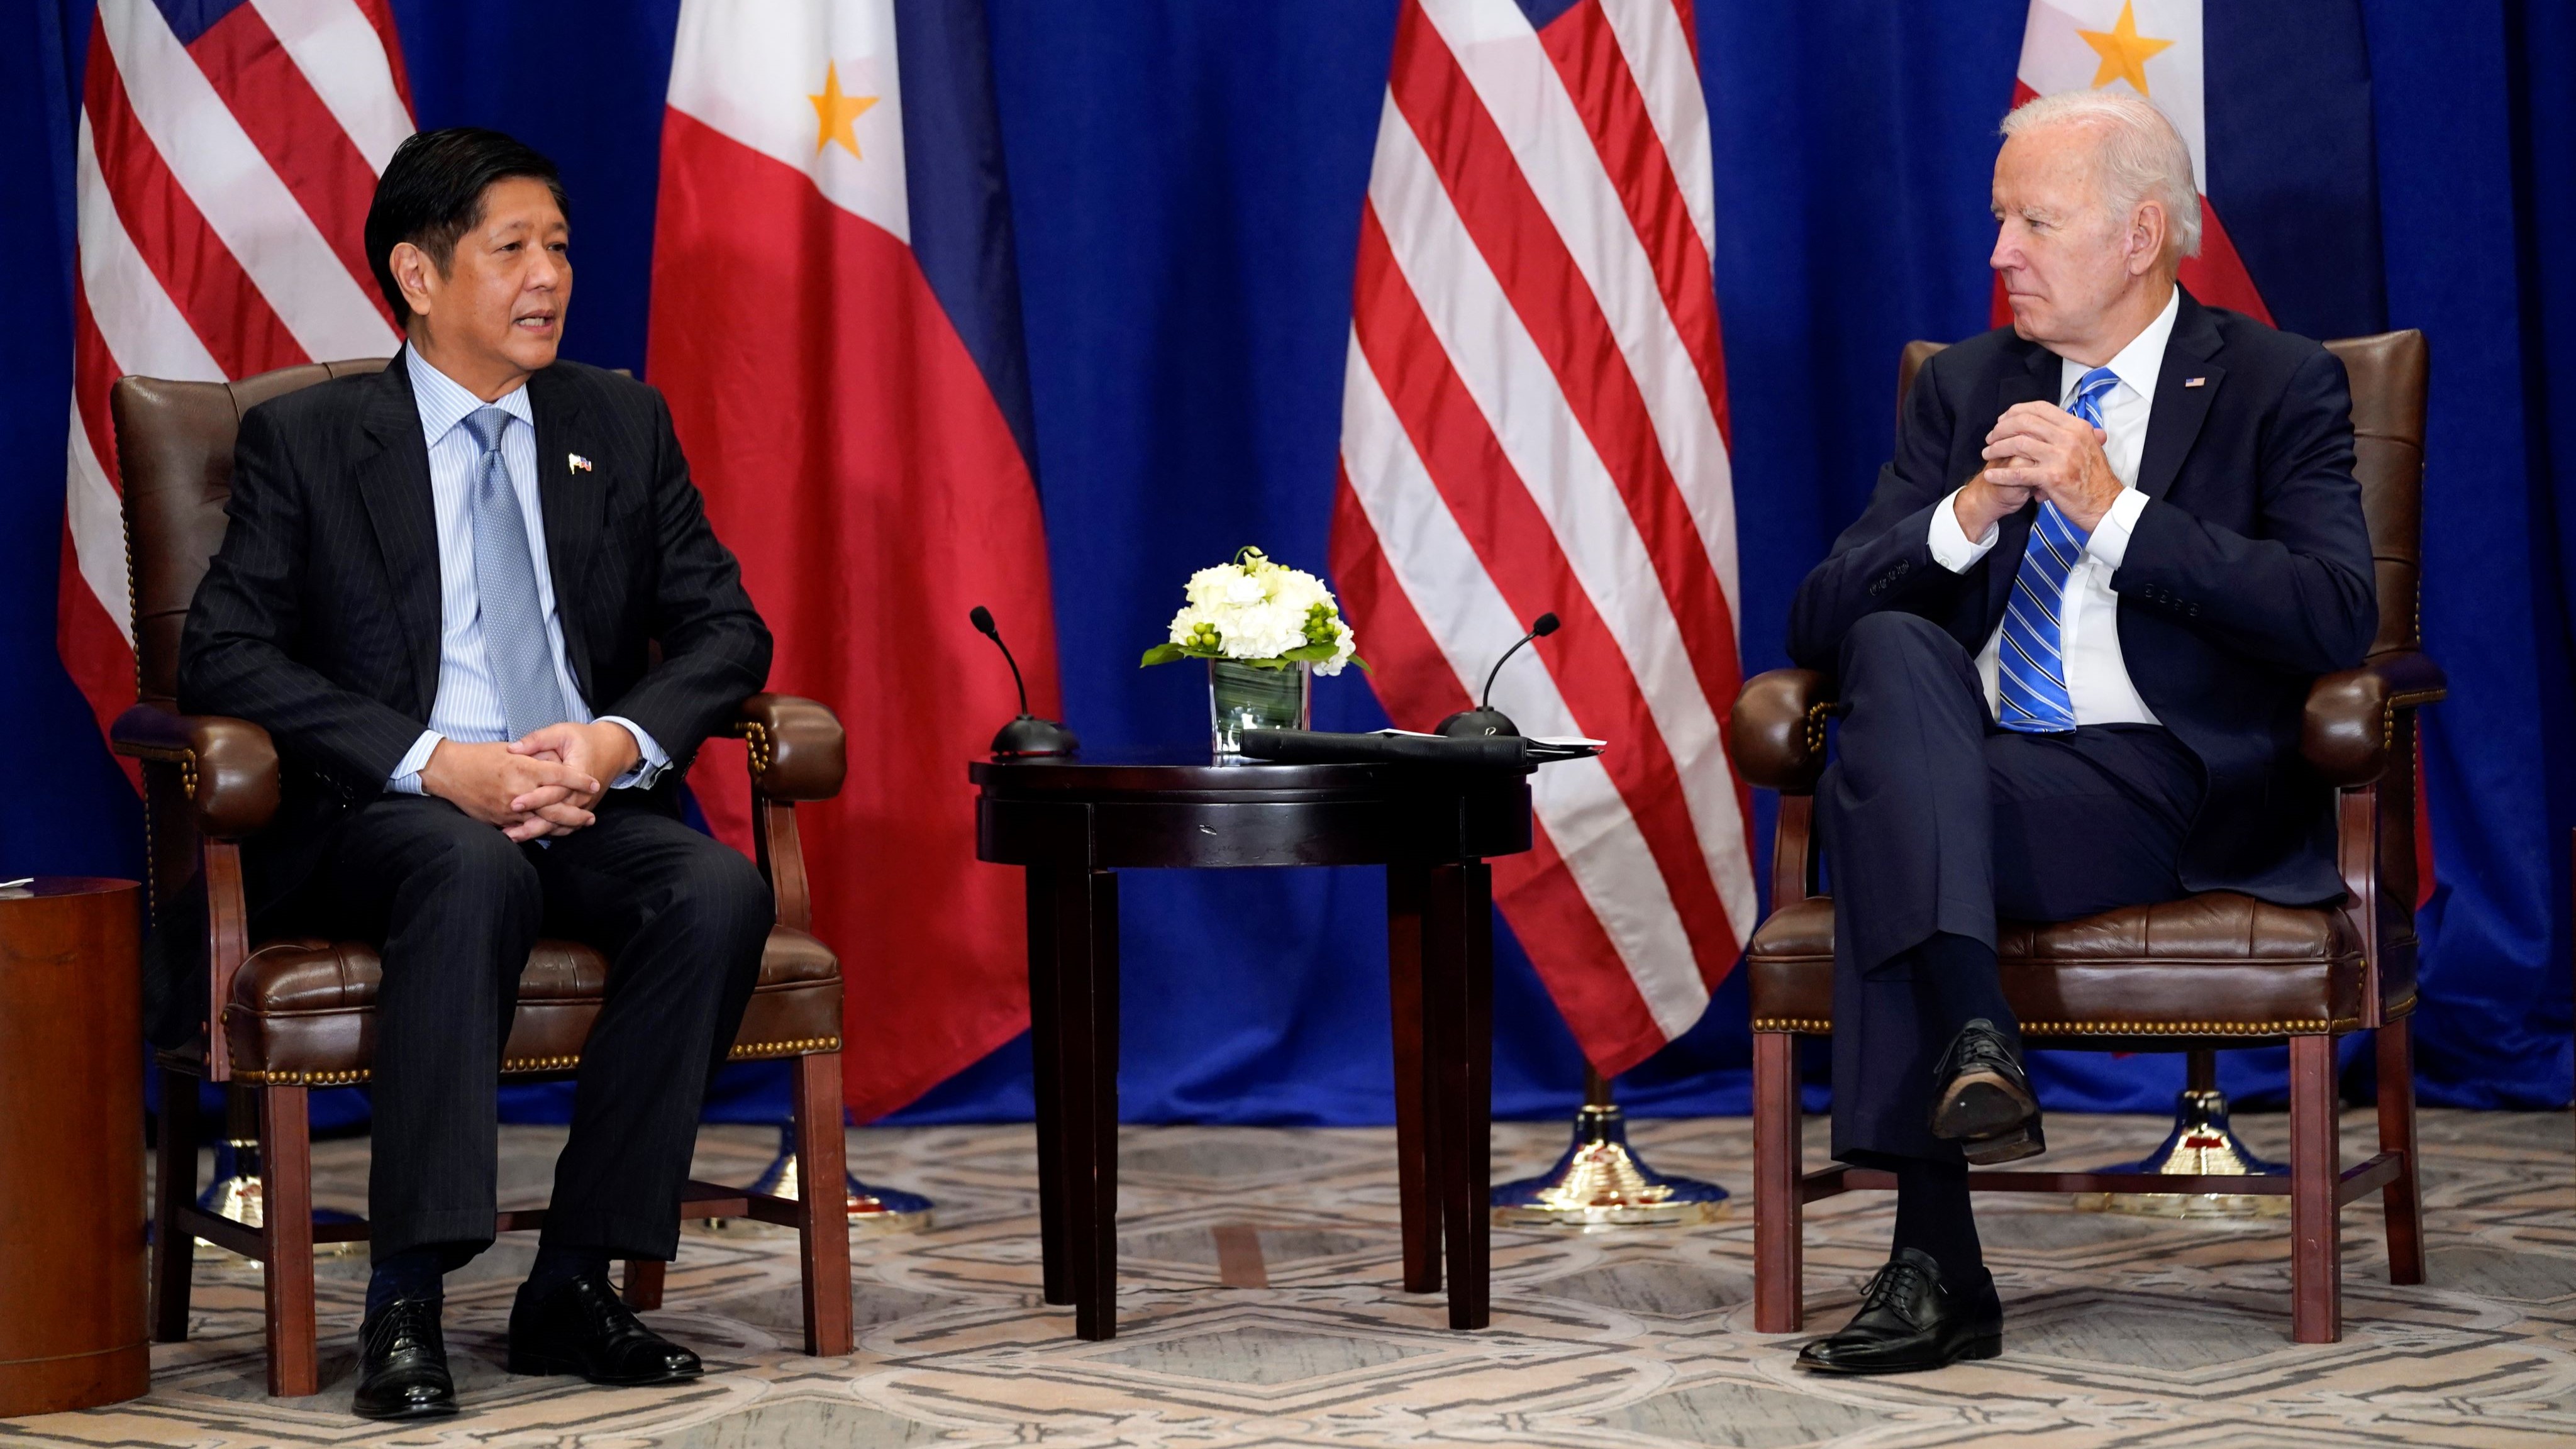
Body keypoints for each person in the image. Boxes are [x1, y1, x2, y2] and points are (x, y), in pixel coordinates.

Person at [179, 128, 775, 1419]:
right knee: (465, 865)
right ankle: (407, 1296)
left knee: (714, 891)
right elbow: (218, 650)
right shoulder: (315, 440)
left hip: (583, 799)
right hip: (391, 817)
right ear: (416, 272)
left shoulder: (618, 419)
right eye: (510, 249)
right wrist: (430, 761)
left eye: (557, 247)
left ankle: (571, 1281)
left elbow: (729, 631)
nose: (547, 276)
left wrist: (614, 744)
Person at [1781, 90, 2377, 1375]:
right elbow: (1817, 617)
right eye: (1997, 219)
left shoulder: (2275, 381)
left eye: (2032, 222)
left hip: (2155, 780)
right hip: (1972, 767)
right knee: (1887, 649)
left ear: (2138, 233)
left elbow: (2333, 615)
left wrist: (2112, 512)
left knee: (1878, 810)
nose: (1999, 253)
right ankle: (1973, 1042)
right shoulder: (1965, 386)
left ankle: (1934, 1264)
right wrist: (1967, 510)